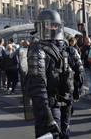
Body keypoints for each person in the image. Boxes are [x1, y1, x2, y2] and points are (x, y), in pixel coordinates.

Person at [26, 10, 83, 139]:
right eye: (48, 25)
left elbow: (79, 73)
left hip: (62, 102)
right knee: (56, 134)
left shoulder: (68, 49)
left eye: (53, 25)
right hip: (53, 104)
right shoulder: (40, 49)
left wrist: (76, 91)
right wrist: (46, 114)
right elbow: (38, 85)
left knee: (63, 134)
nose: (51, 28)